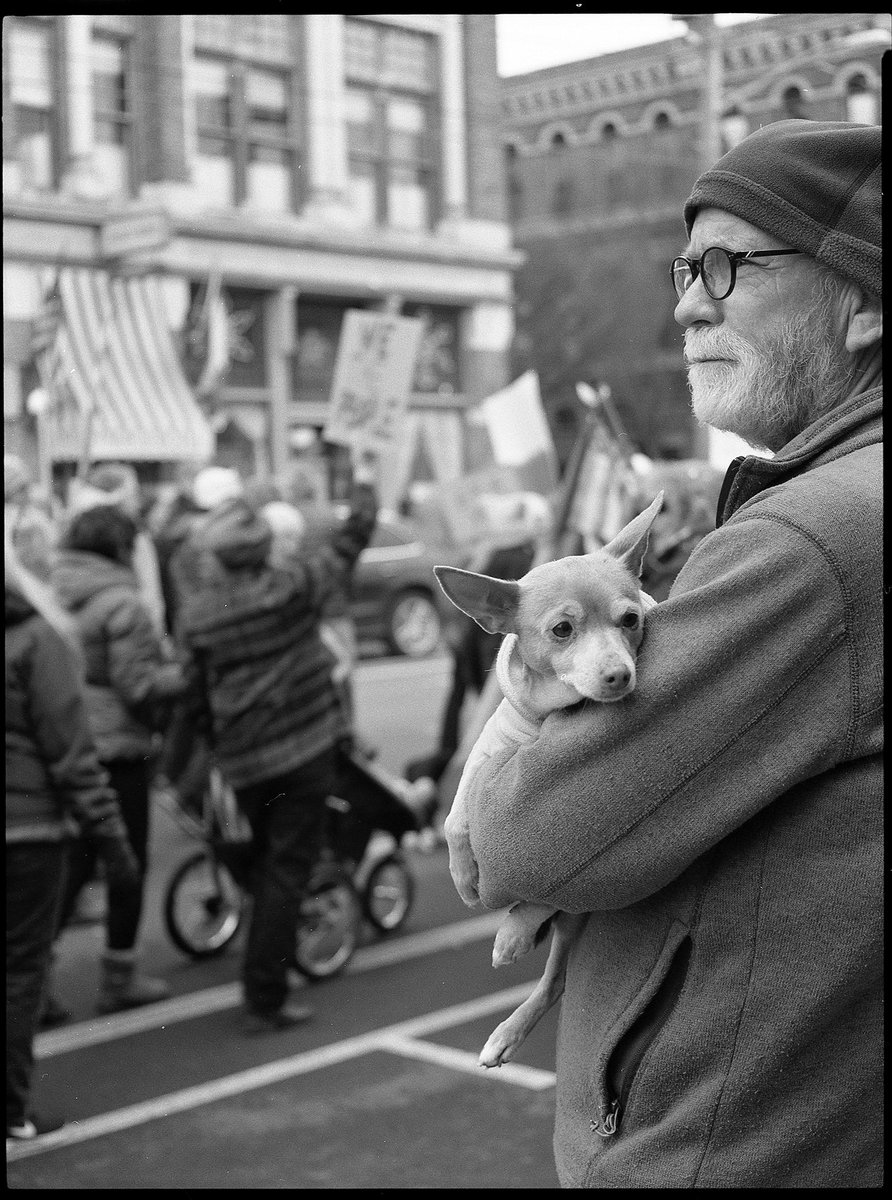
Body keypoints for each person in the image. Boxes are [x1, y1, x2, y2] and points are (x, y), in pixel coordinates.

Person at [459, 119, 882, 1188]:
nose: (688, 301)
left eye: (730, 266)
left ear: (867, 304)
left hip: (725, 1149)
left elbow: (520, 841)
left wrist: (508, 724)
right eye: (686, 268)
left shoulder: (815, 540)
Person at [170, 451, 379, 1034]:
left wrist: (217, 742)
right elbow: (351, 540)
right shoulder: (292, 587)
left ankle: (264, 964)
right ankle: (264, 996)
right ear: (263, 548)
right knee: (288, 870)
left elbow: (193, 694)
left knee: (266, 866)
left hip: (243, 761)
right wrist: (362, 476)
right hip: (306, 749)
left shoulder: (199, 616)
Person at [6, 533, 139, 1144]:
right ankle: (10, 1110)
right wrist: (110, 836)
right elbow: (70, 751)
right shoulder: (36, 637)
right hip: (27, 830)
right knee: (20, 972)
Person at [51, 501, 189, 1013]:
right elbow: (138, 686)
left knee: (74, 862)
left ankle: (35, 979)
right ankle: (119, 977)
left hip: (68, 741)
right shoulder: (123, 604)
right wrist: (183, 677)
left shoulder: (55, 589)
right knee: (125, 863)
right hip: (117, 749)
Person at [4, 453, 56, 582]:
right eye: (20, 489)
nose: (27, 494)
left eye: (26, 487)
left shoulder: (35, 515)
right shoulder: (11, 519)